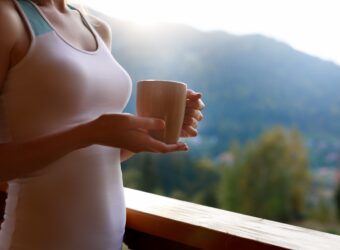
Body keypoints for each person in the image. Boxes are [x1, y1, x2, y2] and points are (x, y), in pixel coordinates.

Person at [0, 0, 205, 249]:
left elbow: (91, 156)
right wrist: (90, 133)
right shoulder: (8, 18)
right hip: (39, 238)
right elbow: (88, 136)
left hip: (108, 240)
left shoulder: (96, 27)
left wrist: (148, 133)